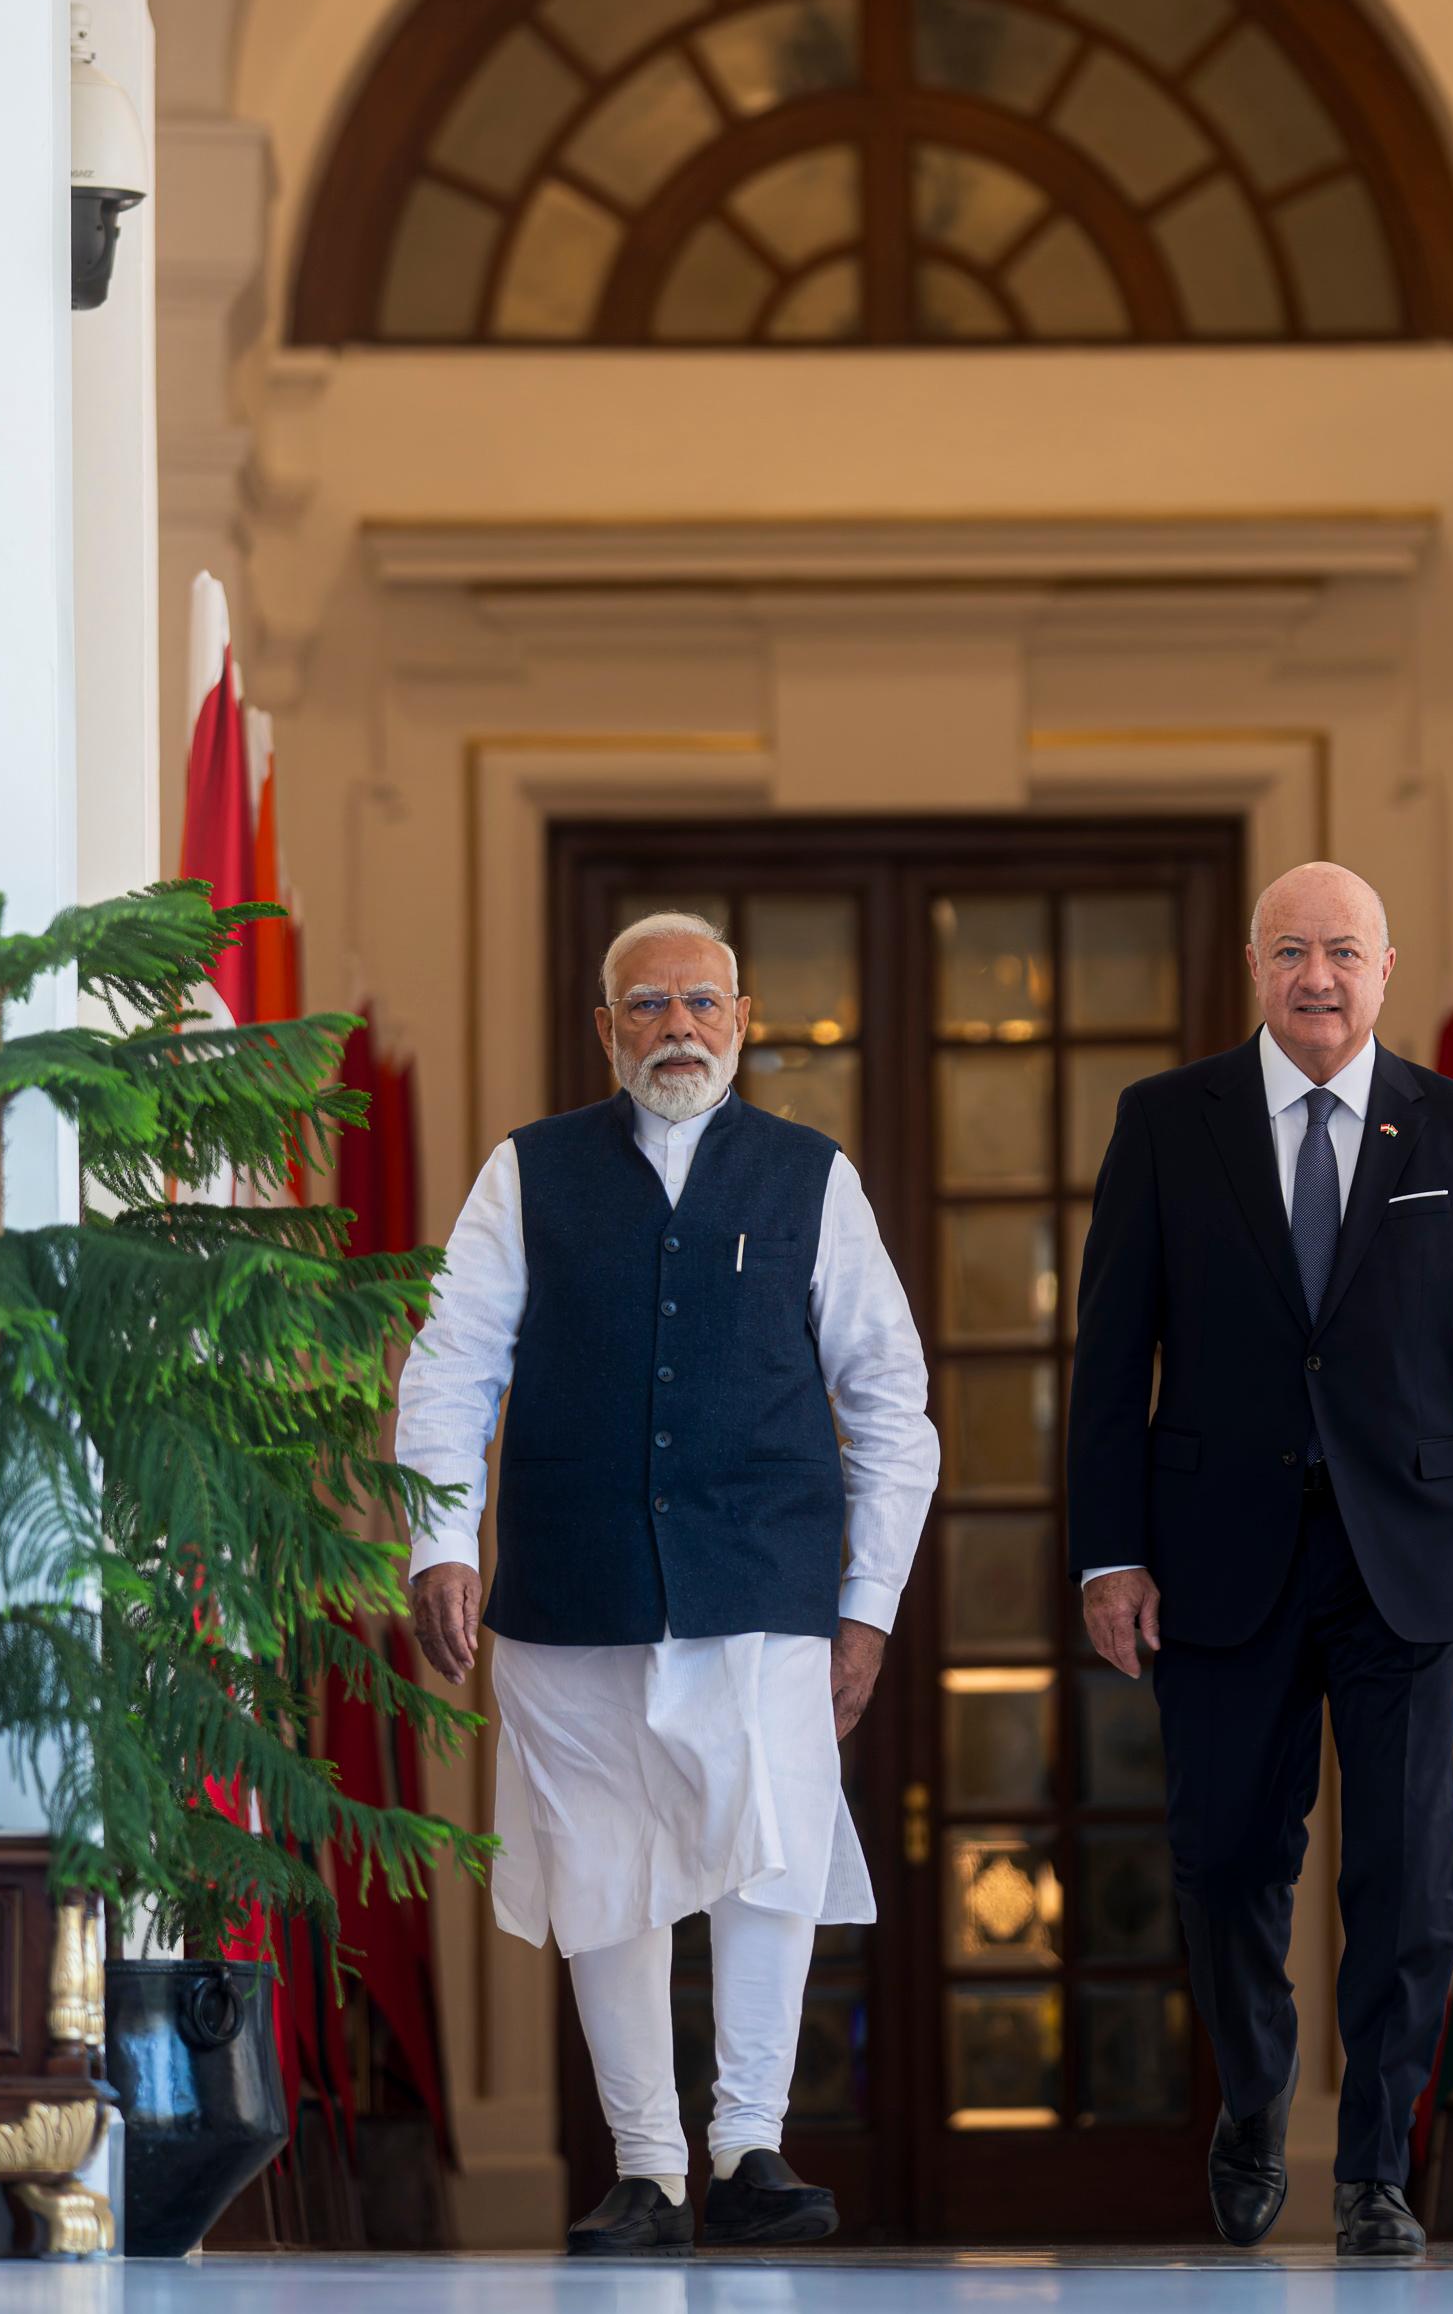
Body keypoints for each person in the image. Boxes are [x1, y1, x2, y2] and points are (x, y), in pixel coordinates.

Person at [398, 910, 937, 2257]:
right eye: (647, 1005)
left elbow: (890, 1400)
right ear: (606, 1028)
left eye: (702, 1001)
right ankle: (646, 2165)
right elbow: (452, 1363)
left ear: (744, 1019)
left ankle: (750, 2145)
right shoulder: (528, 1176)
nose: (677, 1026)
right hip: (572, 1590)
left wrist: (869, 1600)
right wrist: (442, 1539)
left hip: (764, 1587)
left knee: (769, 1856)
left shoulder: (813, 1176)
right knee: (603, 1869)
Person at [1066, 860, 1453, 2256]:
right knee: (1225, 1859)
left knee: (1406, 1873)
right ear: (1254, 964)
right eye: (1292, 950)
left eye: (1343, 951)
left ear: (1387, 967)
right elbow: (1109, 1358)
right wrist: (1108, 1553)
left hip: (1407, 1555)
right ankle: (1256, 2091)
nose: (1318, 978)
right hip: (1215, 1555)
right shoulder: (1166, 1124)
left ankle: (1373, 2167)